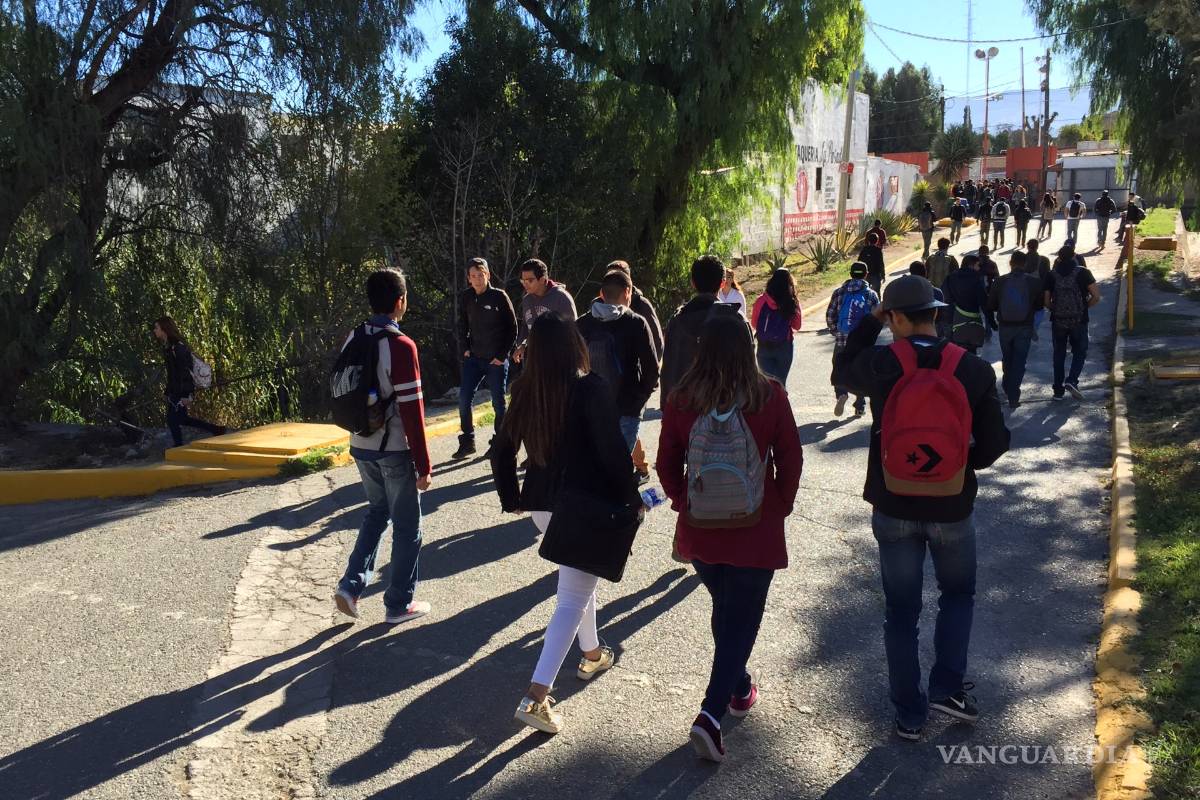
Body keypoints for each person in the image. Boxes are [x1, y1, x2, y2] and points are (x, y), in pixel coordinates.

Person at [832, 274, 1010, 742]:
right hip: (952, 506)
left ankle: (909, 714)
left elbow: (841, 368)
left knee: (901, 611)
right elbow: (995, 443)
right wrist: (958, 465)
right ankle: (947, 688)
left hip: (893, 505)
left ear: (893, 317)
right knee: (958, 596)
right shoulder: (972, 368)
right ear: (936, 313)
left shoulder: (882, 364)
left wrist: (871, 322)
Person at [657, 312, 803, 762]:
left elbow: (666, 463)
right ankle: (710, 715)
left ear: (701, 350)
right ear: (748, 347)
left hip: (702, 529)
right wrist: (779, 504)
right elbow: (791, 458)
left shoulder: (682, 398)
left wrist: (684, 502)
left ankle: (739, 687)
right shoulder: (769, 395)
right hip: (755, 528)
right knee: (741, 618)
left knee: (727, 610)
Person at [491, 314, 643, 735]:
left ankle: (591, 654)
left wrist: (512, 499)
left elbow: (501, 451)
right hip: (584, 505)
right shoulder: (589, 387)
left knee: (577, 578)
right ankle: (536, 696)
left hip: (542, 505)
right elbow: (612, 452)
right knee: (573, 595)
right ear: (574, 344)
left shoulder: (526, 389)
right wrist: (632, 500)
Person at [333, 269, 434, 625]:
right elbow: (412, 412)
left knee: (377, 512)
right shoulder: (401, 346)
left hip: (360, 443)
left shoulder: (355, 335)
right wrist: (424, 465)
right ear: (400, 301)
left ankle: (350, 585)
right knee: (408, 527)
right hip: (393, 449)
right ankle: (398, 604)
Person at [576, 270, 660, 451]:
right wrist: (638, 402)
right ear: (627, 292)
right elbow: (652, 370)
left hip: (590, 410)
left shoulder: (582, 324)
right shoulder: (636, 322)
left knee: (593, 465)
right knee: (620, 466)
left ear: (601, 293)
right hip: (627, 409)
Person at [453, 258, 517, 460]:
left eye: (481, 275)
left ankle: (500, 443)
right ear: (468, 278)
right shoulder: (466, 297)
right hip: (474, 359)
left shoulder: (499, 296)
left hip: (495, 360)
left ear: (488, 275)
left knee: (498, 403)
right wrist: (465, 349)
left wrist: (502, 355)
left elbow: (512, 328)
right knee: (464, 400)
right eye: (473, 276)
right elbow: (462, 324)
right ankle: (467, 442)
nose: (477, 279)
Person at [606, 259, 664, 482]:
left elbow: (657, 343)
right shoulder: (600, 306)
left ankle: (640, 469)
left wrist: (644, 388)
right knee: (622, 431)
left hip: (634, 385)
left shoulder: (641, 306)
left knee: (627, 426)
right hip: (609, 387)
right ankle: (640, 467)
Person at [661, 254, 739, 400]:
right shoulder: (736, 320)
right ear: (722, 283)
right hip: (726, 406)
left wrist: (668, 406)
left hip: (685, 404)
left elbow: (669, 369)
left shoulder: (677, 321)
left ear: (693, 283)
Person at [154, 316, 226, 447]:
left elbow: (185, 372)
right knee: (183, 419)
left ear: (164, 329)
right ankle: (216, 429)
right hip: (176, 390)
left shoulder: (177, 348)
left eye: (156, 328)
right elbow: (172, 374)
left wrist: (187, 394)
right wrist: (167, 392)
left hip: (181, 390)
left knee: (172, 420)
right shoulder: (169, 348)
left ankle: (178, 446)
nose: (155, 330)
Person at [986, 250, 1044, 408]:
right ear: (1025, 264)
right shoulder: (1034, 282)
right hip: (1025, 326)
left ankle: (1007, 385)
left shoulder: (999, 281)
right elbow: (1040, 306)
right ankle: (1013, 395)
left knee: (1007, 357)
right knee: (1019, 360)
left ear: (1010, 263)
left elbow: (991, 305)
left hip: (1005, 326)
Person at [1045, 251, 1101, 401]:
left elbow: (1046, 301)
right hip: (1079, 321)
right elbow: (1096, 296)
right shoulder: (1083, 272)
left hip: (1058, 321)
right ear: (1074, 257)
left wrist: (1056, 310)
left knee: (1059, 354)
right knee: (1080, 351)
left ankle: (1058, 391)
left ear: (1058, 258)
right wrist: (1083, 308)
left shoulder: (1051, 274)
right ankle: (1072, 380)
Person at [826, 262, 880, 417]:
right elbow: (877, 318)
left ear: (850, 273)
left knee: (839, 367)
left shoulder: (839, 292)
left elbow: (830, 315)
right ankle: (859, 406)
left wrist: (837, 332)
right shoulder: (871, 294)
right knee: (861, 371)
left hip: (842, 339)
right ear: (866, 274)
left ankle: (841, 394)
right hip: (862, 342)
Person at [512, 258, 578, 364]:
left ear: (542, 279)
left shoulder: (562, 298)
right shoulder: (527, 300)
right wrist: (522, 345)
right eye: (523, 281)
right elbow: (526, 326)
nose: (525, 284)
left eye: (530, 280)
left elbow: (573, 332)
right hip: (532, 361)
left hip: (557, 361)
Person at [751, 268, 803, 383]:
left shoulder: (761, 300)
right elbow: (797, 326)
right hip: (784, 346)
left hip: (764, 346)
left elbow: (754, 324)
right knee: (780, 384)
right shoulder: (791, 301)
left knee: (767, 384)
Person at [941, 254, 991, 354]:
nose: (979, 268)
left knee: (954, 353)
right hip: (972, 322)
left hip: (953, 321)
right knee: (970, 354)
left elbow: (945, 298)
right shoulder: (977, 279)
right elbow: (983, 302)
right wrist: (992, 322)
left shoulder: (950, 277)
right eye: (977, 265)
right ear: (971, 265)